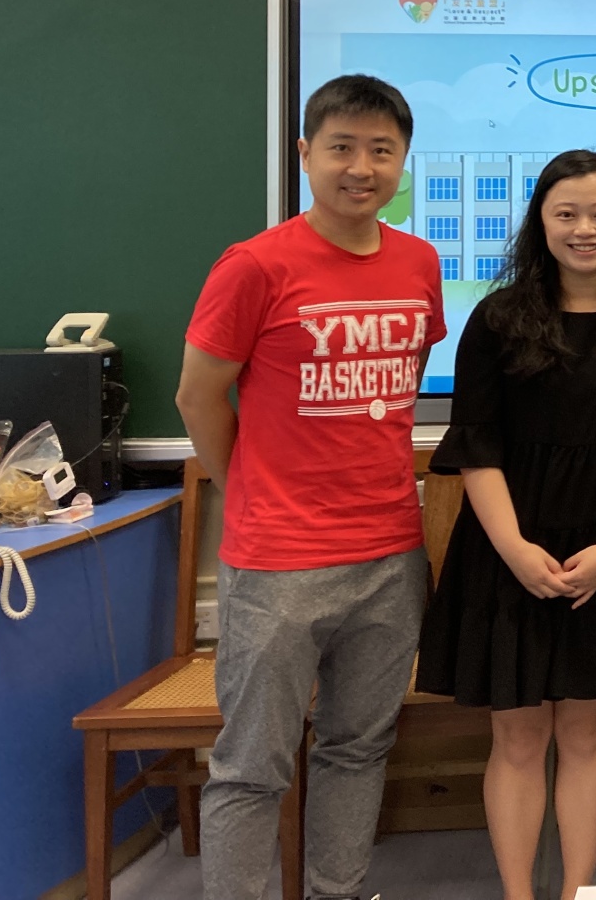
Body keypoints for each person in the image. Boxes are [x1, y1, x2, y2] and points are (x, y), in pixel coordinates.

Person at [177, 75, 444, 900]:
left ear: (402, 160)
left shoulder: (420, 261)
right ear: (305, 154)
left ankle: (338, 891)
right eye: (341, 147)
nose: (361, 167)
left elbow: (401, 387)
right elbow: (197, 396)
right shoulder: (254, 265)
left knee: (357, 749)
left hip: (391, 552)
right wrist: (251, 488)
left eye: (381, 150)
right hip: (277, 564)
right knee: (251, 766)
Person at [416, 150, 596, 900]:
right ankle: (517, 894)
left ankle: (576, 892)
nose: (584, 229)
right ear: (540, 221)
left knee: (587, 731)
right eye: (566, 213)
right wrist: (514, 550)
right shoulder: (498, 320)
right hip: (508, 547)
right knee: (517, 735)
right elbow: (476, 446)